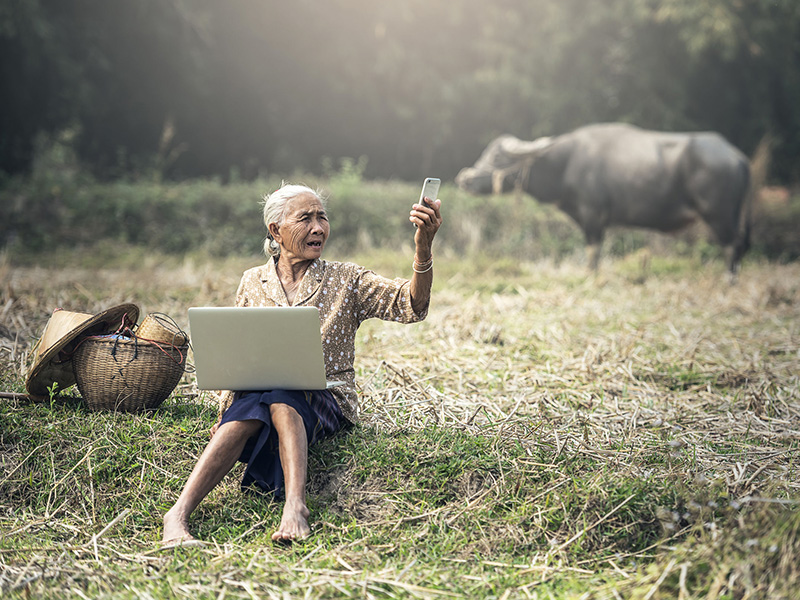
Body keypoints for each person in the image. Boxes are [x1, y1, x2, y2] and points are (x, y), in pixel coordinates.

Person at [162, 182, 442, 546]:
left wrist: (423, 247)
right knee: (246, 410)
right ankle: (178, 515)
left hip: (325, 398)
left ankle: (295, 506)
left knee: (282, 394)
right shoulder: (252, 280)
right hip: (258, 396)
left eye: (322, 217)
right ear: (275, 231)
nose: (318, 228)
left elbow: (412, 305)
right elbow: (239, 356)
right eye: (305, 218)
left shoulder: (347, 279)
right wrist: (222, 413)